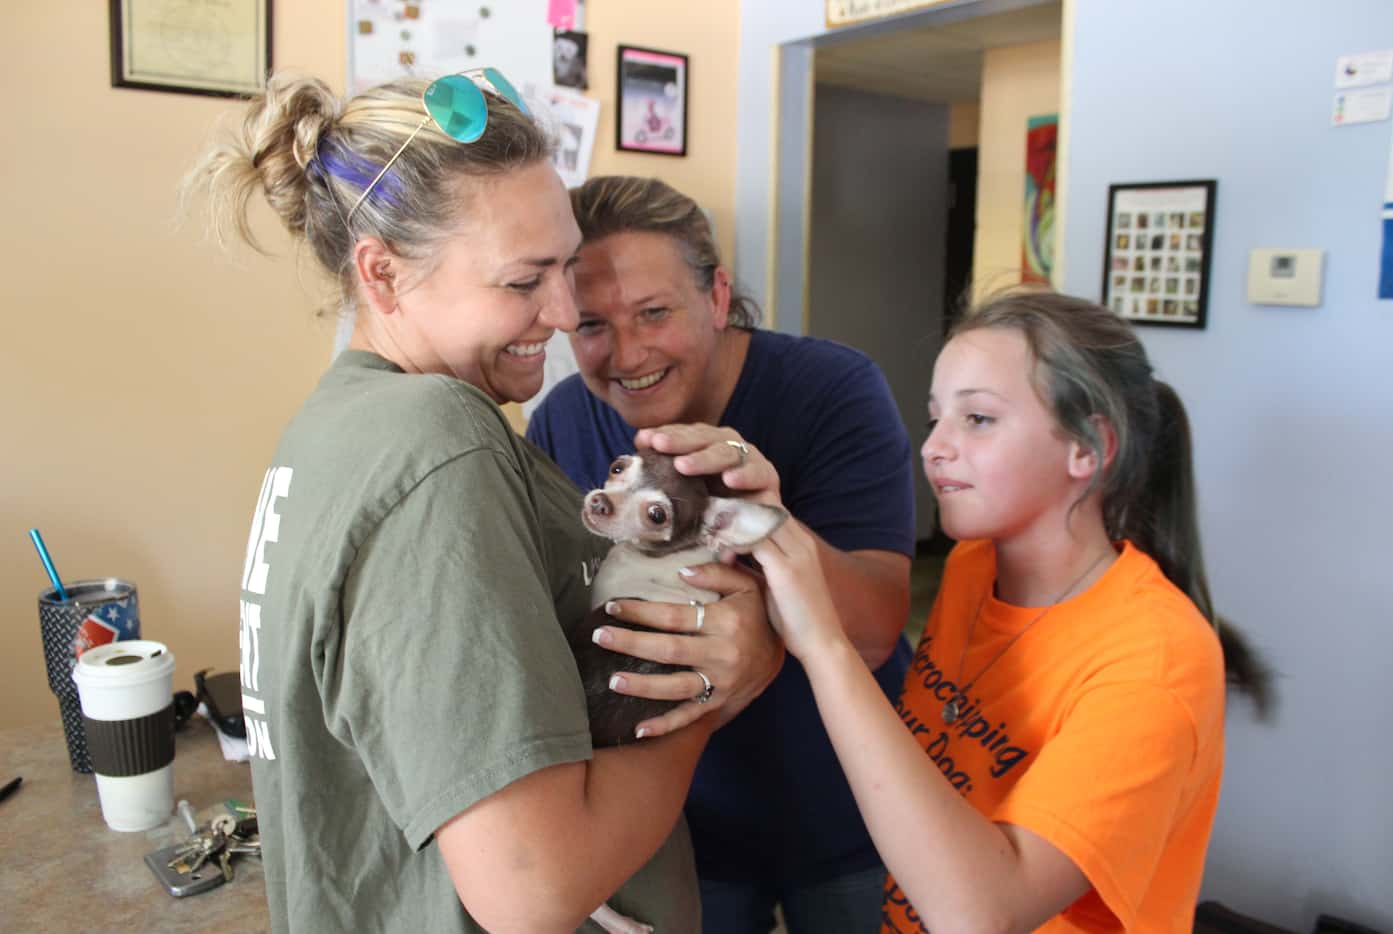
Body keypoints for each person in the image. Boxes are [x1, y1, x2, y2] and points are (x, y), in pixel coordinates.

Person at [188, 71, 781, 933]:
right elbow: (532, 890)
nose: (565, 311)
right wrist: (711, 691)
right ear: (382, 274)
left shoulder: (333, 427)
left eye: (566, 266)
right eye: (522, 281)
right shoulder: (436, 440)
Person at [751, 290, 1273, 933]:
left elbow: (982, 915)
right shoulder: (974, 566)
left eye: (977, 420)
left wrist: (826, 646)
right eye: (935, 417)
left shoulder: (1155, 658)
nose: (933, 448)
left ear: (1087, 447)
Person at [527, 175, 917, 932]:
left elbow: (873, 630)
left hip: (848, 808)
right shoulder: (561, 423)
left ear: (716, 296)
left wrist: (765, 547)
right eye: (591, 325)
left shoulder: (831, 390)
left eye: (654, 312)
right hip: (673, 822)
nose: (627, 354)